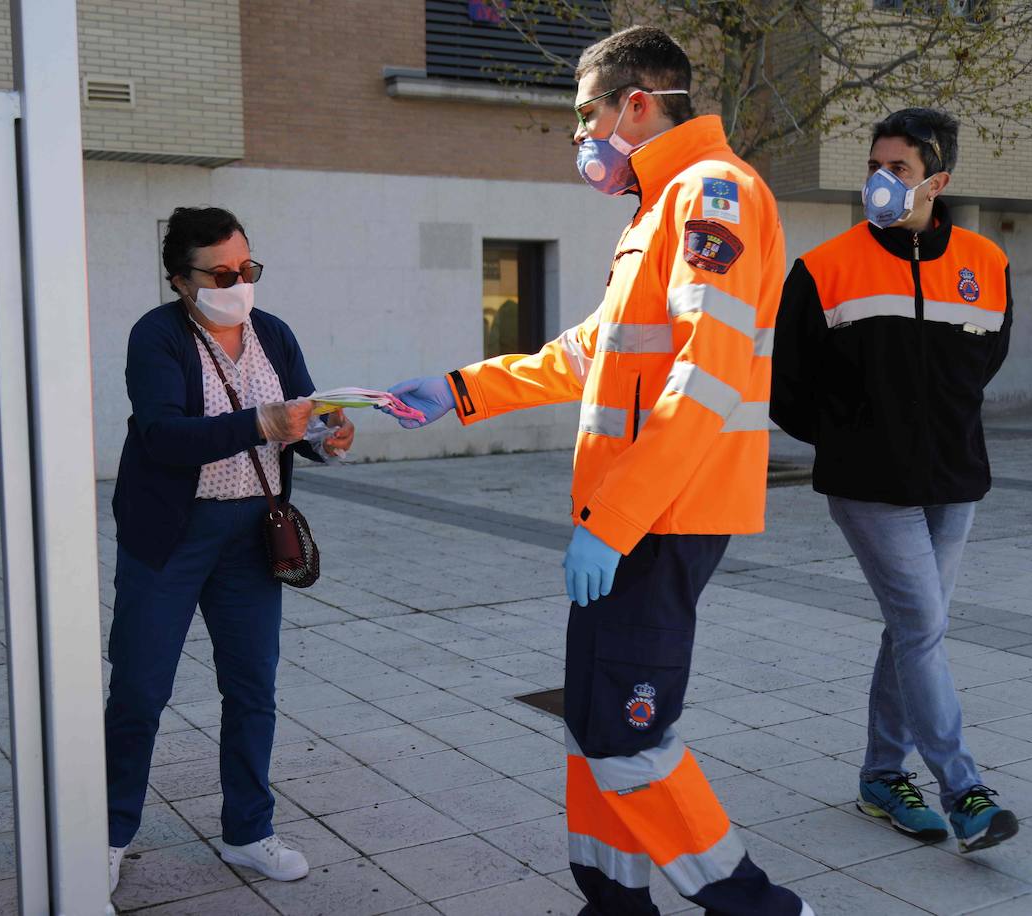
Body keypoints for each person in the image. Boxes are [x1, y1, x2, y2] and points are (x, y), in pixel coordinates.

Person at [388, 26, 811, 916]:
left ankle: (761, 910)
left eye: (586, 115)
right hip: (630, 520)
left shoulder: (713, 195)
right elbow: (591, 354)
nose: (580, 137)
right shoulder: (658, 210)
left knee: (629, 737)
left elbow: (703, 380)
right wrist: (460, 391)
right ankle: (614, 904)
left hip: (661, 519)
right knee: (593, 727)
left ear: (638, 103)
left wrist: (614, 523)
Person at [771, 108, 1018, 853]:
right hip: (869, 486)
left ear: (937, 180)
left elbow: (984, 365)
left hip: (953, 482)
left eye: (899, 169)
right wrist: (858, 441)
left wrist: (938, 431)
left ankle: (882, 776)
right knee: (920, 628)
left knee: (915, 631)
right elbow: (789, 390)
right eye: (875, 166)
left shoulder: (987, 263)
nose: (881, 181)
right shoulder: (824, 266)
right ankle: (964, 790)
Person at [105, 206, 354, 893]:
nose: (239, 282)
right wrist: (259, 422)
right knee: (138, 689)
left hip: (252, 534)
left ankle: (249, 830)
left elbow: (301, 416)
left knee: (252, 687)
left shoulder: (272, 333)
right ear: (181, 280)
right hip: (171, 535)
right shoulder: (156, 336)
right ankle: (107, 832)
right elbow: (162, 435)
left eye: (247, 268)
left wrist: (322, 438)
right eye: (221, 273)